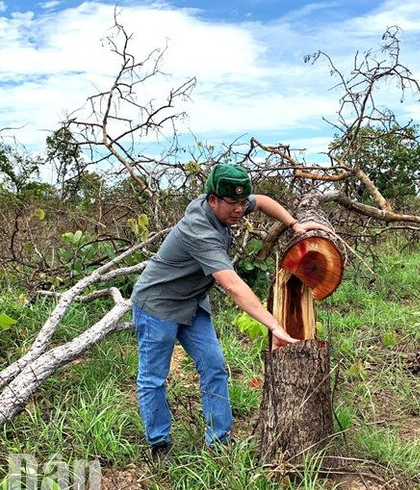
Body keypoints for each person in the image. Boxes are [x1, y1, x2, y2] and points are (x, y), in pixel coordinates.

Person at [130, 164, 328, 452]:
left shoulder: (229, 204)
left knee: (214, 367)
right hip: (158, 305)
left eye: (240, 203)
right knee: (154, 378)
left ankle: (219, 443)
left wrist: (294, 224)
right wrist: (273, 325)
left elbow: (261, 201)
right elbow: (233, 286)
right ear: (213, 200)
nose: (239, 210)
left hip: (192, 303)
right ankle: (159, 443)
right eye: (232, 203)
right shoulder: (199, 230)